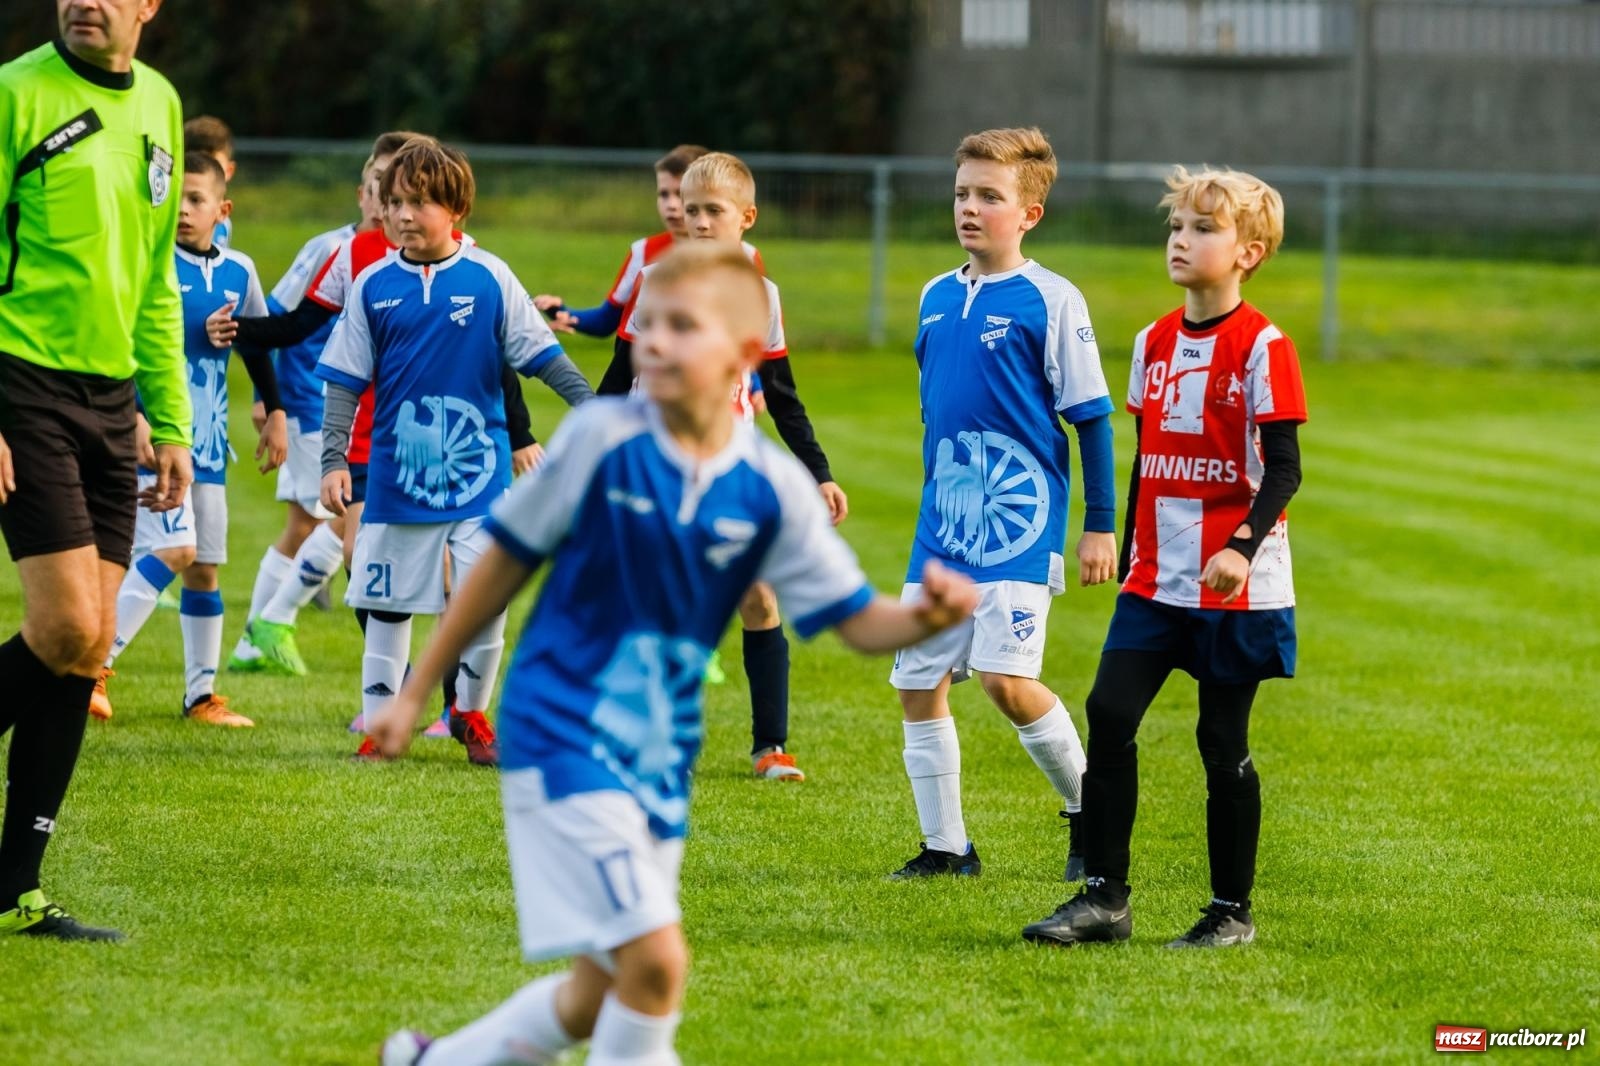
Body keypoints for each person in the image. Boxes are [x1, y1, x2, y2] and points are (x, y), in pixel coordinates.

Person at [370, 243, 980, 1066]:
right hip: (561, 730)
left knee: (597, 992)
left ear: (741, 354)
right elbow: (501, 562)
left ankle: (432, 1061)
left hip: (657, 753)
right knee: (657, 962)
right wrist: (414, 696)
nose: (650, 342)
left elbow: (857, 622)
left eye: (679, 327)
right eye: (643, 326)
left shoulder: (769, 486)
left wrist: (923, 617)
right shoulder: (600, 438)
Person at [1021, 166, 1306, 949]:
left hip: (1233, 587)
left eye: (1204, 229)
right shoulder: (1152, 340)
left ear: (1248, 252)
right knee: (1109, 711)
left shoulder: (1263, 345)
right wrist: (1113, 530)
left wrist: (1242, 548)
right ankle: (1105, 899)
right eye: (1177, 226)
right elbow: (1150, 455)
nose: (1182, 241)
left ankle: (1230, 912)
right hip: (1156, 578)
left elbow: (1283, 468)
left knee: (1222, 744)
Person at [0, 0, 188, 942]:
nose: (85, 0)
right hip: (21, 383)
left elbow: (156, 279)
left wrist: (172, 420)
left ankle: (15, 890)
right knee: (64, 622)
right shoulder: (14, 94)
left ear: (148, 5)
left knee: (90, 643)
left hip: (115, 402)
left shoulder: (158, 102)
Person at [315, 137, 592, 765]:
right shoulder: (372, 285)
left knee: (484, 598)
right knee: (385, 607)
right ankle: (384, 727)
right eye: (394, 203)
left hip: (481, 481)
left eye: (418, 203)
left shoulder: (491, 277)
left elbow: (543, 357)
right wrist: (335, 460)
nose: (403, 216)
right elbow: (345, 380)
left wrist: (598, 412)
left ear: (456, 209)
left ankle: (470, 713)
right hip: (395, 479)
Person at [886, 127, 1117, 881]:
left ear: (1030, 214)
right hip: (941, 530)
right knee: (917, 684)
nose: (971, 208)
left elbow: (1091, 418)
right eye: (962, 193)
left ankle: (1091, 811)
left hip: (1018, 531)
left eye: (991, 196)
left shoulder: (1052, 299)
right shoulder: (933, 295)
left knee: (1005, 683)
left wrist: (1098, 526)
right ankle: (947, 848)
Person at [617, 152, 847, 782]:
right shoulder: (658, 282)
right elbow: (619, 377)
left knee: (758, 594)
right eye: (689, 210)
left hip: (731, 468)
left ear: (746, 217)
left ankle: (770, 746)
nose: (697, 220)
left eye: (712, 210)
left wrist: (819, 472)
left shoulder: (761, 295)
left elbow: (782, 392)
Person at [92, 152, 287, 725]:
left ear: (222, 209)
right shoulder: (150, 266)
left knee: (203, 566)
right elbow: (120, 345)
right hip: (155, 444)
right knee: (169, 550)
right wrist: (133, 416)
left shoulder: (240, 270)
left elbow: (254, 341)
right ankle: (92, 668)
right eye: (175, 197)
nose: (183, 210)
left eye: (196, 200)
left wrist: (273, 408)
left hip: (210, 445)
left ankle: (200, 697)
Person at [226, 134, 397, 677]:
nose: (390, 202)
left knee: (315, 521)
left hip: (373, 418)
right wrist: (266, 399)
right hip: (315, 404)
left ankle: (264, 631)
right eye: (381, 189)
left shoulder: (429, 255)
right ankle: (267, 630)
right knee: (336, 522)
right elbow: (278, 319)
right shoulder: (332, 250)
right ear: (364, 193)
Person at [533, 143, 711, 350]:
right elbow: (607, 321)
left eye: (679, 194)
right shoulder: (644, 251)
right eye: (663, 194)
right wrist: (561, 311)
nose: (671, 204)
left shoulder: (741, 256)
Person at [182, 115, 236, 248]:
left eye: (214, 164)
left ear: (229, 171)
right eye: (195, 163)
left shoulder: (225, 224)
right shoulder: (175, 216)